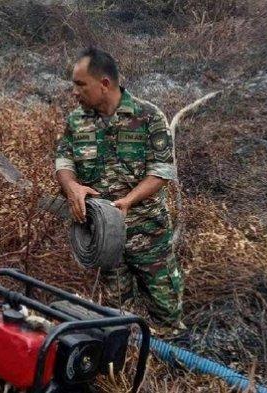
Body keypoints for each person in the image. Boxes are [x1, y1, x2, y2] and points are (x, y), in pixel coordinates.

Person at [55, 47, 184, 330]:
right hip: (105, 240)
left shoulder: (149, 116)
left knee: (167, 312)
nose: (74, 92)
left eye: (80, 85)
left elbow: (161, 172)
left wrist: (128, 200)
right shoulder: (76, 121)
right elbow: (63, 161)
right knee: (115, 318)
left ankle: (172, 356)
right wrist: (71, 186)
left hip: (147, 234)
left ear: (104, 84)